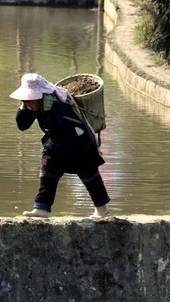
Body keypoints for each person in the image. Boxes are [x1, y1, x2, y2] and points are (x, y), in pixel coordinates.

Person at [9, 73, 111, 219]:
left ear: (41, 95)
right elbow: (22, 125)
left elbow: (53, 125)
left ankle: (102, 208)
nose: (27, 102)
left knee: (89, 175)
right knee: (47, 173)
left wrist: (46, 109)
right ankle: (42, 208)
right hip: (57, 143)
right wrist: (24, 108)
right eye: (25, 99)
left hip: (78, 142)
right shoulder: (33, 104)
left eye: (29, 100)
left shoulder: (56, 101)